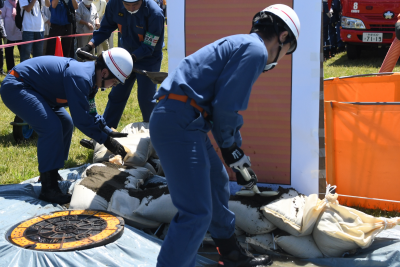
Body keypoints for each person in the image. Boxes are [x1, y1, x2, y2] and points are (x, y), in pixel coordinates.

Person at [149, 4, 300, 267]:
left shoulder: (244, 44)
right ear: (283, 36)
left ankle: (230, 253)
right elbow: (226, 107)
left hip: (183, 119)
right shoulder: (255, 51)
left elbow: (221, 107)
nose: (282, 57)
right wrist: (231, 148)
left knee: (217, 180)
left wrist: (234, 152)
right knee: (196, 212)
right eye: (287, 51)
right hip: (178, 120)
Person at [0, 47, 133, 204]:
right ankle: (48, 189)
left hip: (38, 90)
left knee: (65, 123)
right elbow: (82, 120)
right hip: (17, 86)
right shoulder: (81, 77)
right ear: (104, 73)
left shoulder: (91, 79)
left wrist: (106, 130)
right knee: (51, 127)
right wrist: (107, 141)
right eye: (115, 81)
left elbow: (90, 112)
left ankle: (51, 172)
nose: (114, 85)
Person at [78, 0, 164, 149]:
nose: (131, 8)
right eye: (127, 4)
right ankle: (101, 138)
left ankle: (155, 141)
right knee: (116, 96)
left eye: (135, 5)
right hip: (123, 57)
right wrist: (90, 45)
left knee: (146, 100)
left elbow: (149, 46)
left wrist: (131, 59)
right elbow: (105, 28)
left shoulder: (155, 13)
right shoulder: (114, 4)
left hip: (148, 60)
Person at [2, 0, 22, 72]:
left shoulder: (20, 2)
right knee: (9, 52)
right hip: (8, 31)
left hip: (19, 31)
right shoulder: (5, 3)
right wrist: (3, 31)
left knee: (22, 51)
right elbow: (2, 17)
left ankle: (23, 69)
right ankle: (11, 71)